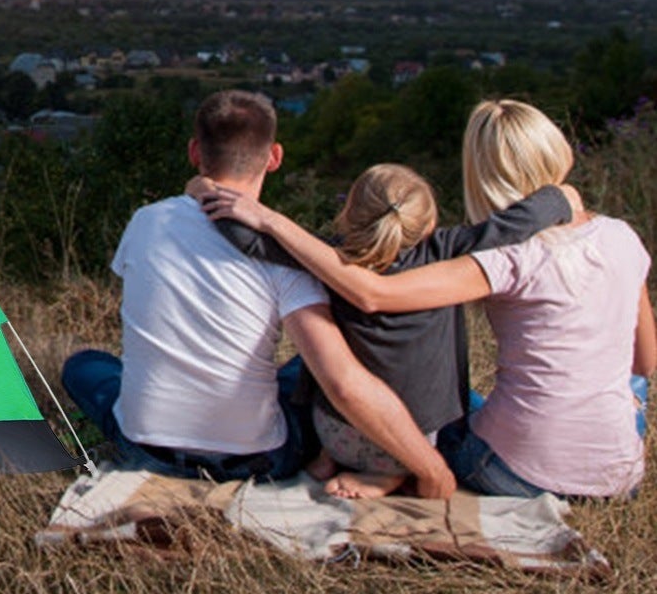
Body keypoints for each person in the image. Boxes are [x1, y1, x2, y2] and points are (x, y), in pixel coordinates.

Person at [200, 99, 657, 501]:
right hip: (619, 475)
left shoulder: (503, 262)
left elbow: (369, 292)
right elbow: (645, 364)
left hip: (511, 470)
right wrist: (560, 196)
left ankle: (367, 463)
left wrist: (223, 196)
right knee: (625, 386)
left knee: (311, 368)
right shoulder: (622, 237)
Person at [61, 90, 454, 495]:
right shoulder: (285, 258)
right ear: (275, 157)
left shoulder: (146, 221)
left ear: (195, 152)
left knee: (84, 366)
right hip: (256, 460)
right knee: (313, 366)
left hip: (146, 449)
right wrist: (432, 469)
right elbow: (342, 383)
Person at [203, 162, 573, 498]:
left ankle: (328, 456)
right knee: (456, 395)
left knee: (311, 357)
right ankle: (390, 475)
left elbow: (249, 240)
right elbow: (512, 225)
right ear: (427, 225)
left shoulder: (326, 256)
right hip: (414, 440)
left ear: (348, 213)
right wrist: (560, 196)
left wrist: (203, 189)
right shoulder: (445, 252)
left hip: (335, 431)